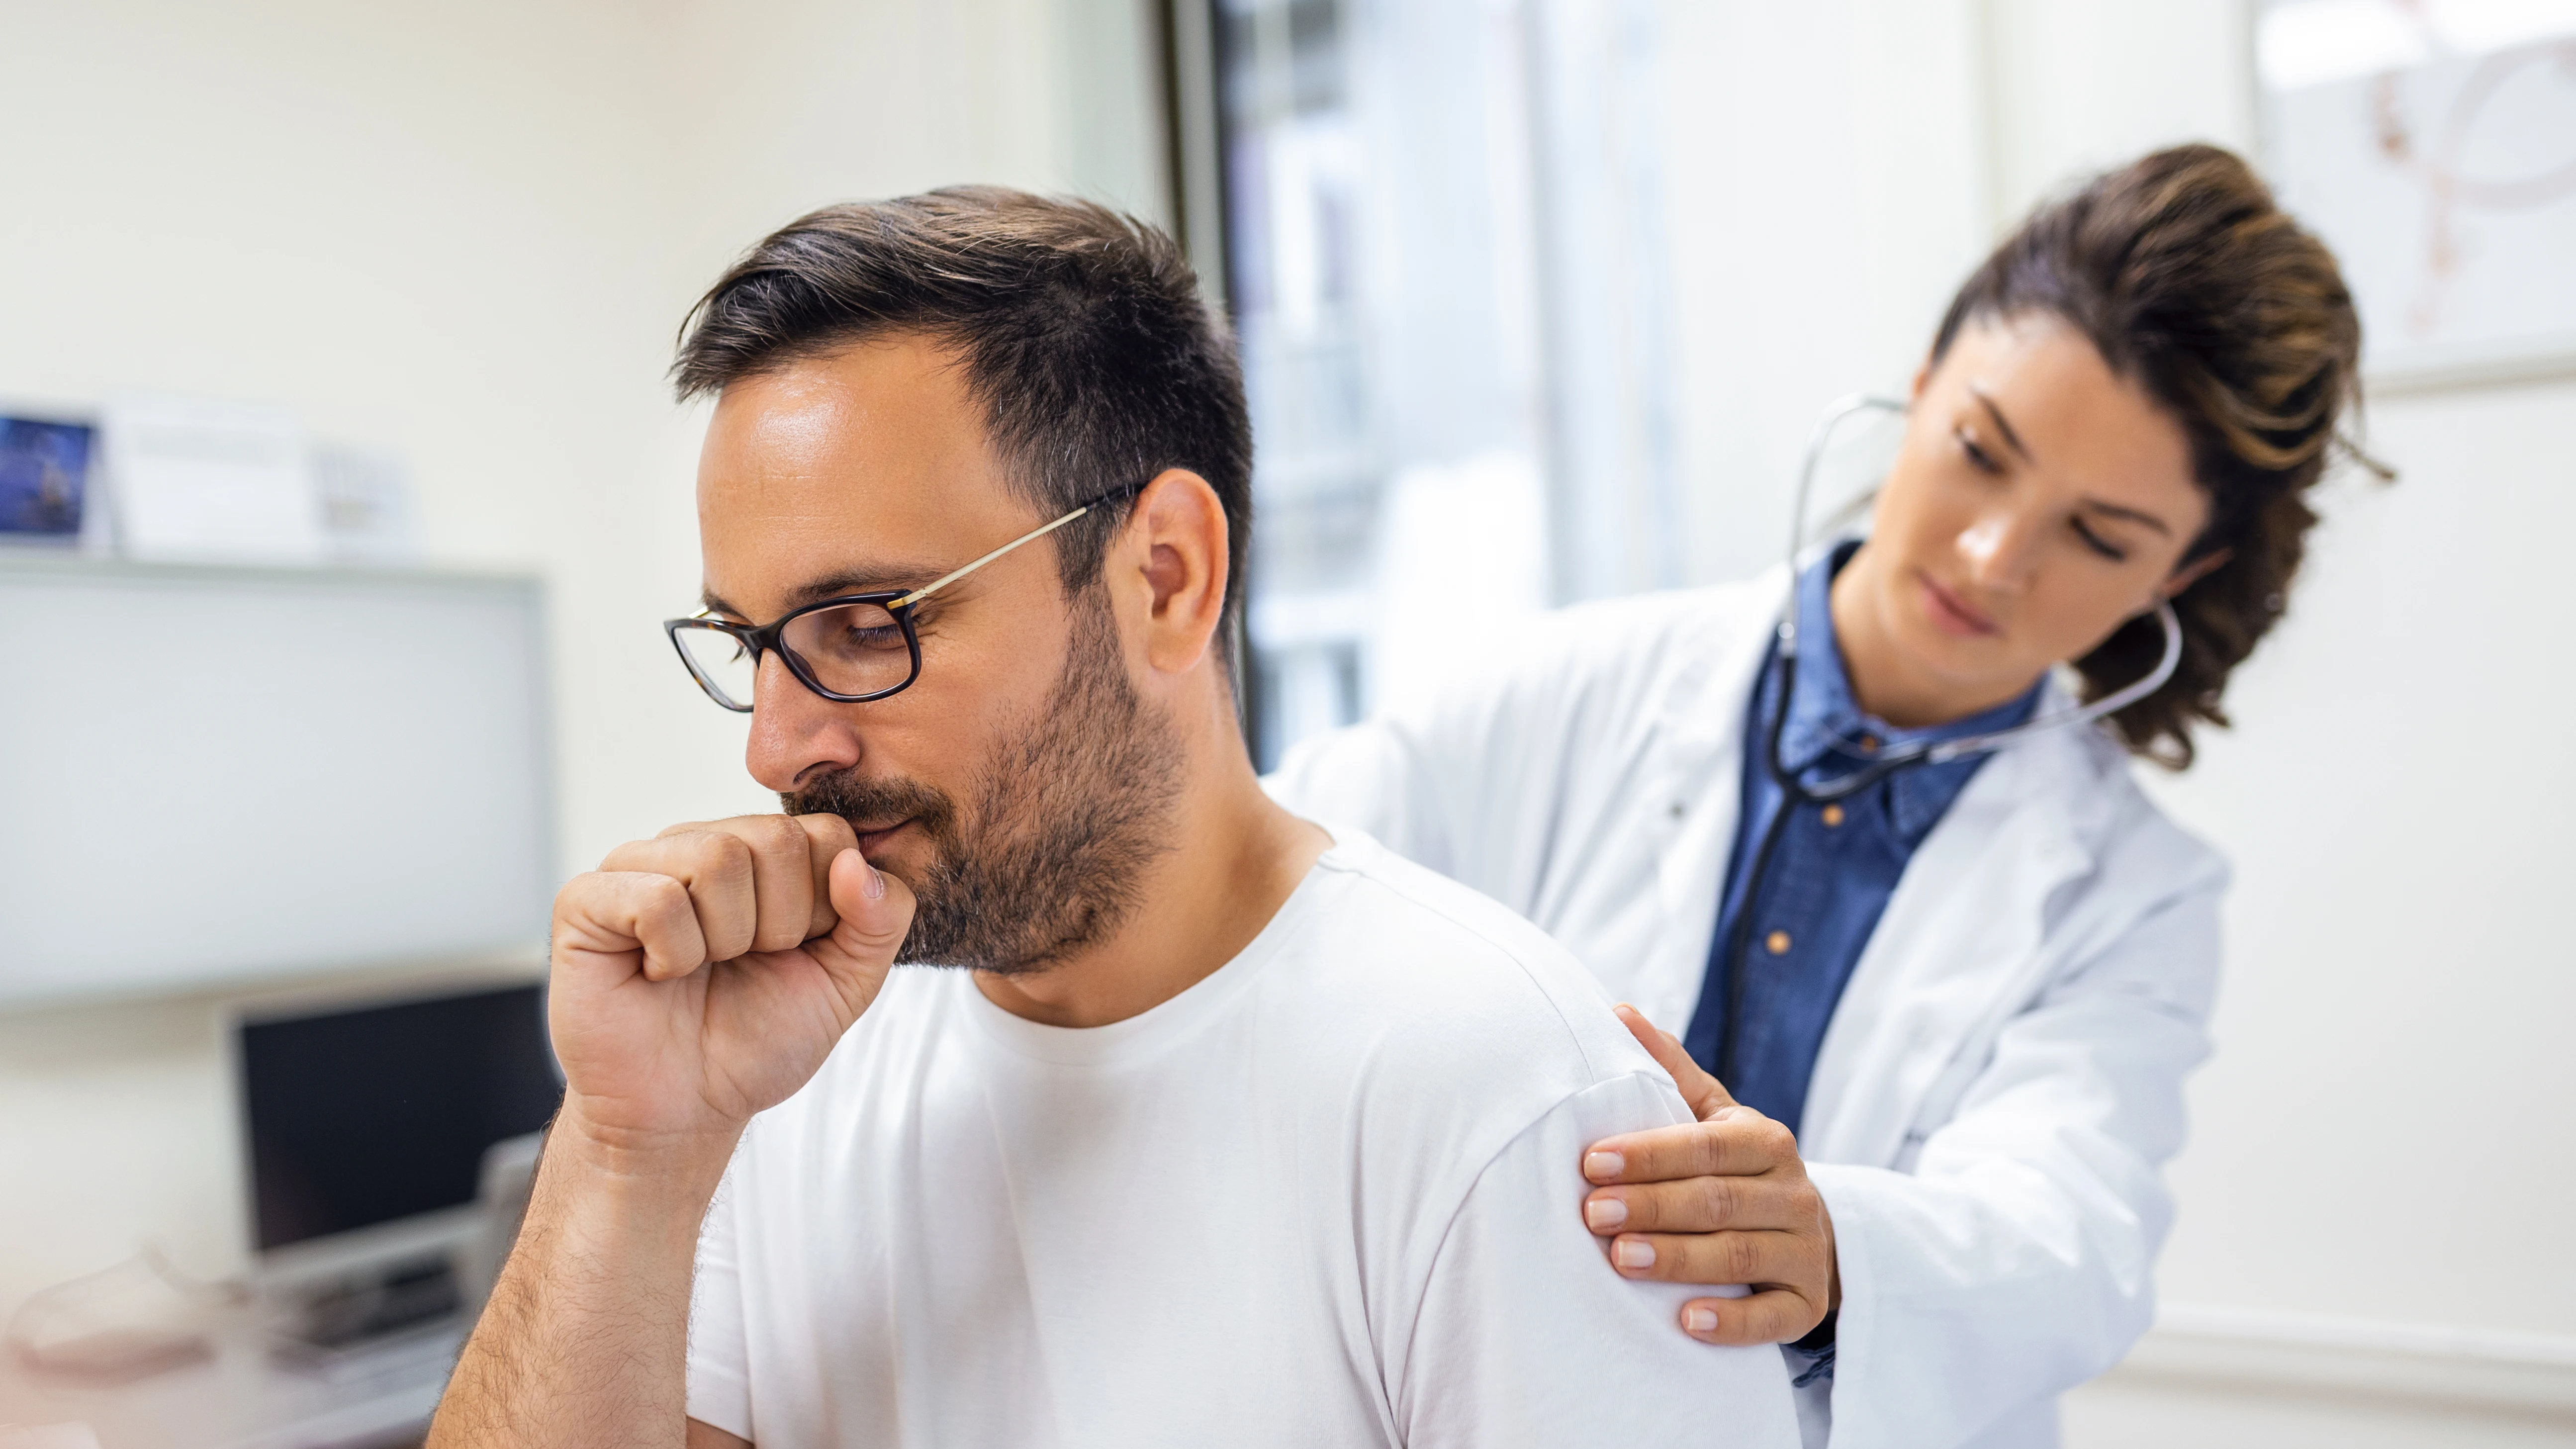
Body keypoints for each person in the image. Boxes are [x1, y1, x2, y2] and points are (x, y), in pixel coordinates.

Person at [425, 189, 1799, 1449]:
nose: (778, 745)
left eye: (865, 624)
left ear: (1162, 577)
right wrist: (628, 1154)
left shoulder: (1485, 1088)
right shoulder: (786, 1065)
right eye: (754, 645)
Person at [1266, 144, 2371, 1449]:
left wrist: (1830, 1244)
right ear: (1917, 389)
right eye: (1977, 449)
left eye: (2096, 536)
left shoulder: (2131, 896)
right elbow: (1262, 880)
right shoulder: (1573, 686)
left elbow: (2069, 1232)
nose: (1990, 555)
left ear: (2183, 570)